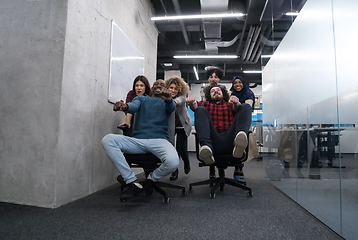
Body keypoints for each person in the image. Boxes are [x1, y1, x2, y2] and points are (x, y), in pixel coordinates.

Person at [102, 78, 179, 200]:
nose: (158, 86)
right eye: (156, 84)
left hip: (159, 140)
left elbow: (172, 107)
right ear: (151, 88)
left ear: (166, 89)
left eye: (162, 85)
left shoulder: (168, 102)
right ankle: (132, 181)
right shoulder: (141, 98)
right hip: (138, 141)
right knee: (108, 140)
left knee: (173, 162)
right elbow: (133, 106)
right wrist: (125, 106)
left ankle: (151, 178)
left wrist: (168, 99)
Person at [186, 83, 252, 176]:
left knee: (245, 106)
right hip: (213, 141)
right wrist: (192, 102)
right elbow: (195, 107)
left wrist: (237, 103)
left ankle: (240, 141)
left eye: (218, 90)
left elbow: (236, 109)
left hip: (231, 140)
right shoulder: (205, 104)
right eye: (212, 91)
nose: (215, 91)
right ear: (209, 95)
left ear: (223, 93)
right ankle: (206, 147)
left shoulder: (230, 104)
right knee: (200, 109)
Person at [165, 76, 192, 180]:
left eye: (175, 89)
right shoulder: (164, 98)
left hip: (183, 125)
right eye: (171, 88)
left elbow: (176, 102)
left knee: (181, 148)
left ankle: (186, 160)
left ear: (180, 90)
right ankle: (174, 170)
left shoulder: (182, 97)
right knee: (172, 149)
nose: (173, 90)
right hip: (171, 126)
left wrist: (169, 100)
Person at [229, 75, 255, 180]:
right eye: (235, 82)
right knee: (234, 146)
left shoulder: (249, 94)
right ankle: (236, 168)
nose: (237, 84)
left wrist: (237, 103)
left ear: (243, 83)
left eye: (240, 82)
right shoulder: (230, 94)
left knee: (242, 145)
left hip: (244, 123)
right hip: (231, 123)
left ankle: (239, 168)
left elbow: (246, 108)